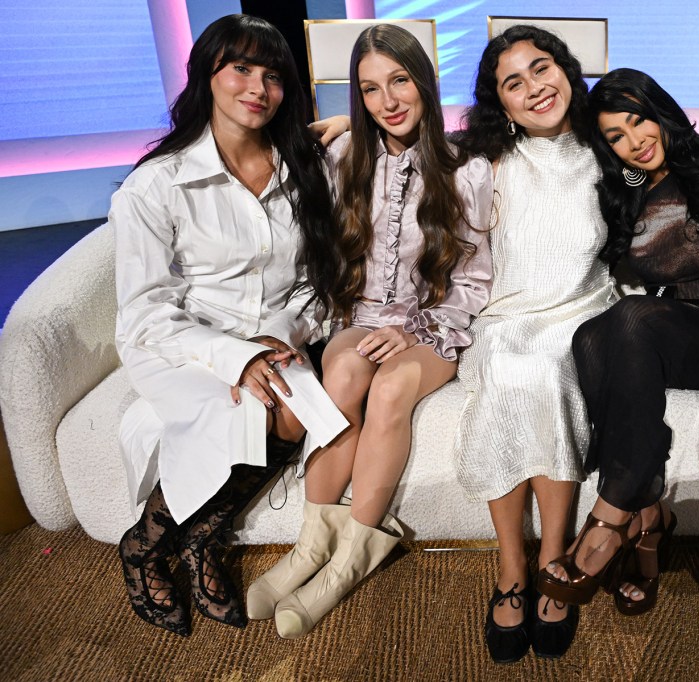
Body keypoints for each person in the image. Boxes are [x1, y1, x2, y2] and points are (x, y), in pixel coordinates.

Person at [246, 24, 493, 640]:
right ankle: (311, 546)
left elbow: (475, 279)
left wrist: (415, 328)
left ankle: (352, 557)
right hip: (360, 319)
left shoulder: (467, 169)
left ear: (424, 81)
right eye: (370, 89)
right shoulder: (343, 158)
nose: (388, 101)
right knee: (343, 376)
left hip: (432, 325)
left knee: (389, 390)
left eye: (400, 81)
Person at [113, 14, 344, 637]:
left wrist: (283, 334)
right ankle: (143, 547)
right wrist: (234, 357)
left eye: (273, 76)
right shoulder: (154, 185)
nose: (258, 88)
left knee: (300, 413)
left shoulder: (306, 169)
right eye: (241, 68)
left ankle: (200, 539)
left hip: (271, 333)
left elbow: (315, 283)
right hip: (181, 342)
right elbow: (144, 310)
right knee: (239, 412)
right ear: (206, 75)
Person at [536, 69, 699, 616]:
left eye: (639, 121)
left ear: (660, 111)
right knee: (589, 336)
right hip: (668, 331)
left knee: (628, 316)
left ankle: (611, 516)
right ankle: (650, 516)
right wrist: (351, 128)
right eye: (616, 136)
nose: (635, 141)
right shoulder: (628, 190)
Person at [450, 25, 616, 663]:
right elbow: (408, 147)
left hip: (582, 309)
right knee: (511, 368)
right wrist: (343, 127)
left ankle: (553, 559)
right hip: (506, 314)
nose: (534, 88)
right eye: (512, 83)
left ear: (567, 71)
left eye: (541, 68)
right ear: (501, 103)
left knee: (548, 370)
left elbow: (666, 164)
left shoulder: (608, 150)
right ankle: (511, 565)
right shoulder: (487, 161)